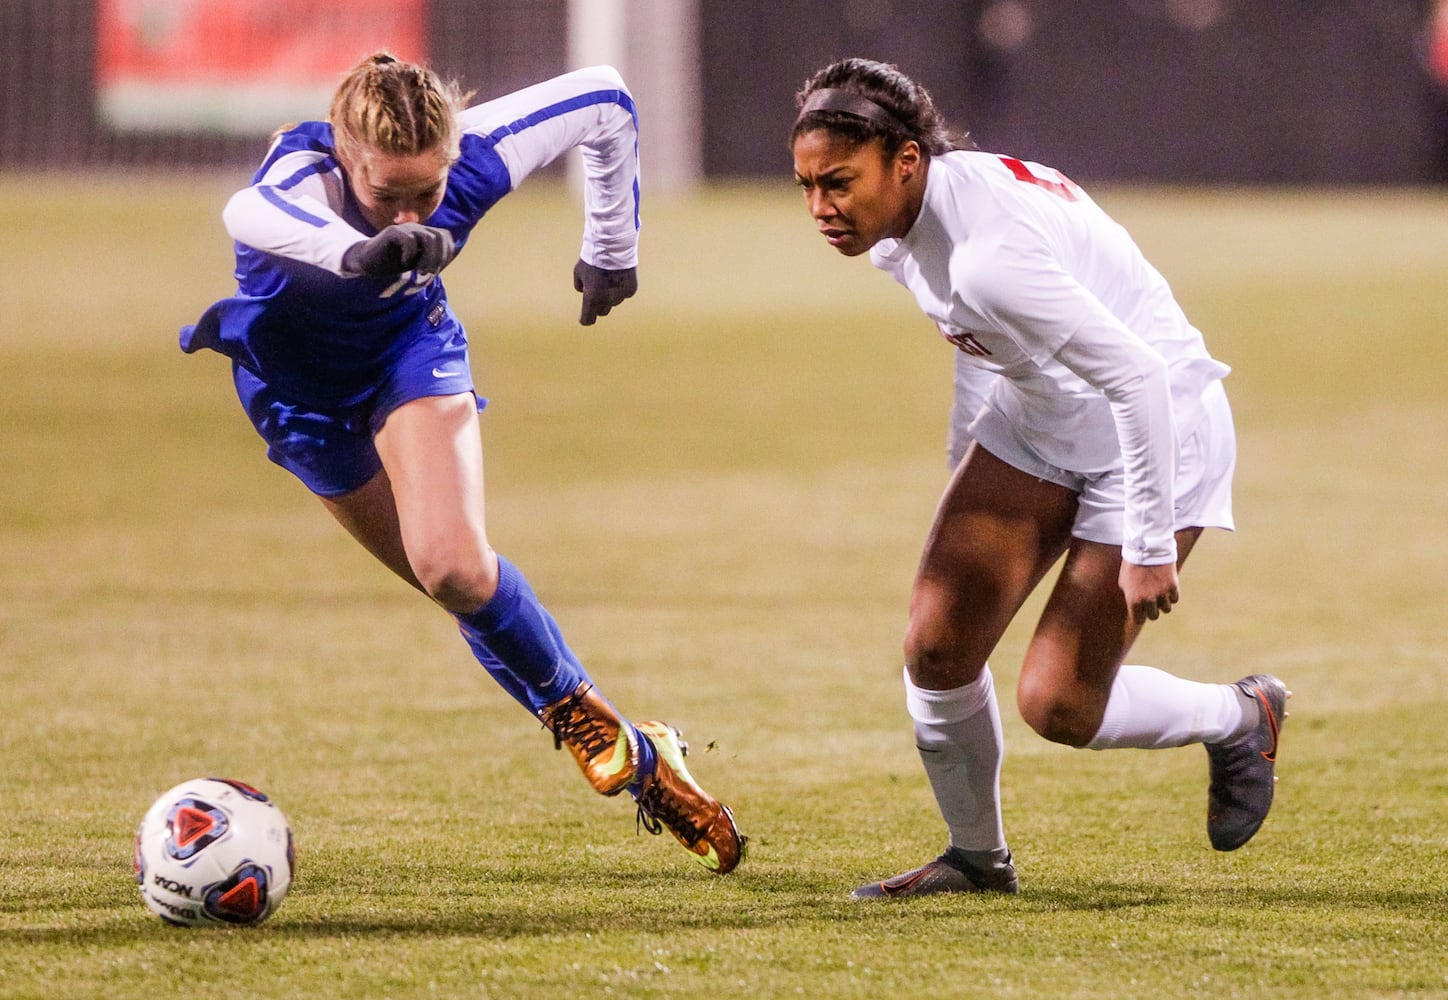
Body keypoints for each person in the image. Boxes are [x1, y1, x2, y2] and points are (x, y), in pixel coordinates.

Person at [180, 53, 744, 875]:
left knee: (452, 567)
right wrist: (355, 251)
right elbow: (248, 210)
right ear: (344, 150)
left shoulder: (472, 154)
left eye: (428, 194)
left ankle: (598, 736)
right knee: (470, 600)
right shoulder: (301, 173)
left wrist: (612, 245)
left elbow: (607, 98)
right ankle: (640, 754)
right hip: (294, 398)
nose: (408, 211)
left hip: (408, 356)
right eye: (387, 194)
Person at [789, 57, 1288, 899]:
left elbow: (1139, 379)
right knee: (937, 644)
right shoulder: (909, 223)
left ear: (906, 159)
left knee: (1058, 706)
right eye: (804, 185)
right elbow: (978, 340)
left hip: (1158, 429)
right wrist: (966, 466)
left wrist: (1150, 543)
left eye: (838, 182)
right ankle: (977, 861)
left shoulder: (989, 252)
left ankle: (1244, 715)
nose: (819, 208)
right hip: (1045, 417)